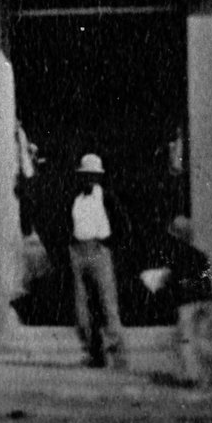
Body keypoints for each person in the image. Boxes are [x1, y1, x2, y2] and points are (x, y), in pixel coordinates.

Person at [68, 152, 131, 369]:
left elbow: (124, 224)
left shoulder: (106, 197)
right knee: (82, 309)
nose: (89, 179)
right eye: (86, 175)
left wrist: (109, 244)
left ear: (99, 177)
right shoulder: (75, 198)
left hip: (98, 249)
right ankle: (94, 354)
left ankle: (118, 353)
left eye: (93, 175)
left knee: (107, 304)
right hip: (77, 250)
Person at [143, 215, 212, 386]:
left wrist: (160, 280)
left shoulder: (177, 253)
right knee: (197, 337)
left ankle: (192, 376)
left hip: (188, 302)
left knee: (185, 339)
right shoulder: (200, 254)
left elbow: (174, 277)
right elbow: (210, 277)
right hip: (205, 300)